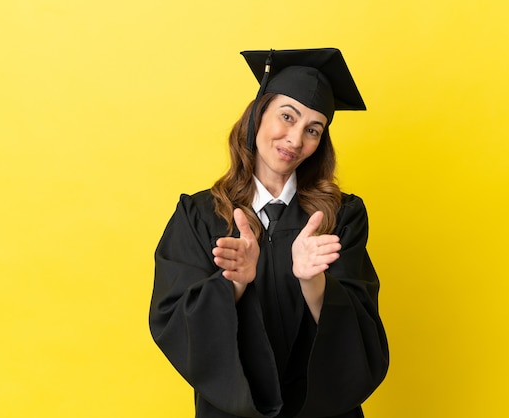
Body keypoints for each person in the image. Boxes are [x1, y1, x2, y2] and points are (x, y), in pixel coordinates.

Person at [149, 48, 389, 418]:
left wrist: (314, 282)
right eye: (287, 117)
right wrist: (233, 285)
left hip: (320, 410)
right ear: (258, 115)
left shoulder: (341, 216)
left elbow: (362, 334)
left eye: (313, 129)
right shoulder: (198, 216)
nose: (295, 140)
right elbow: (172, 320)